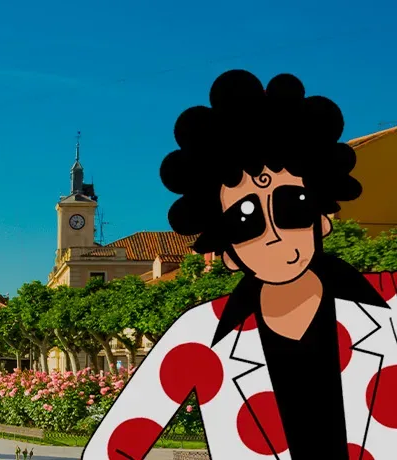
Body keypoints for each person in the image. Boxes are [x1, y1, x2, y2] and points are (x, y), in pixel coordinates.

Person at [81, 70, 397, 459]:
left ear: (322, 219)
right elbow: (113, 446)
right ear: (227, 252)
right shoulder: (199, 336)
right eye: (245, 221)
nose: (274, 232)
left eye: (291, 206)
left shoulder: (391, 305)